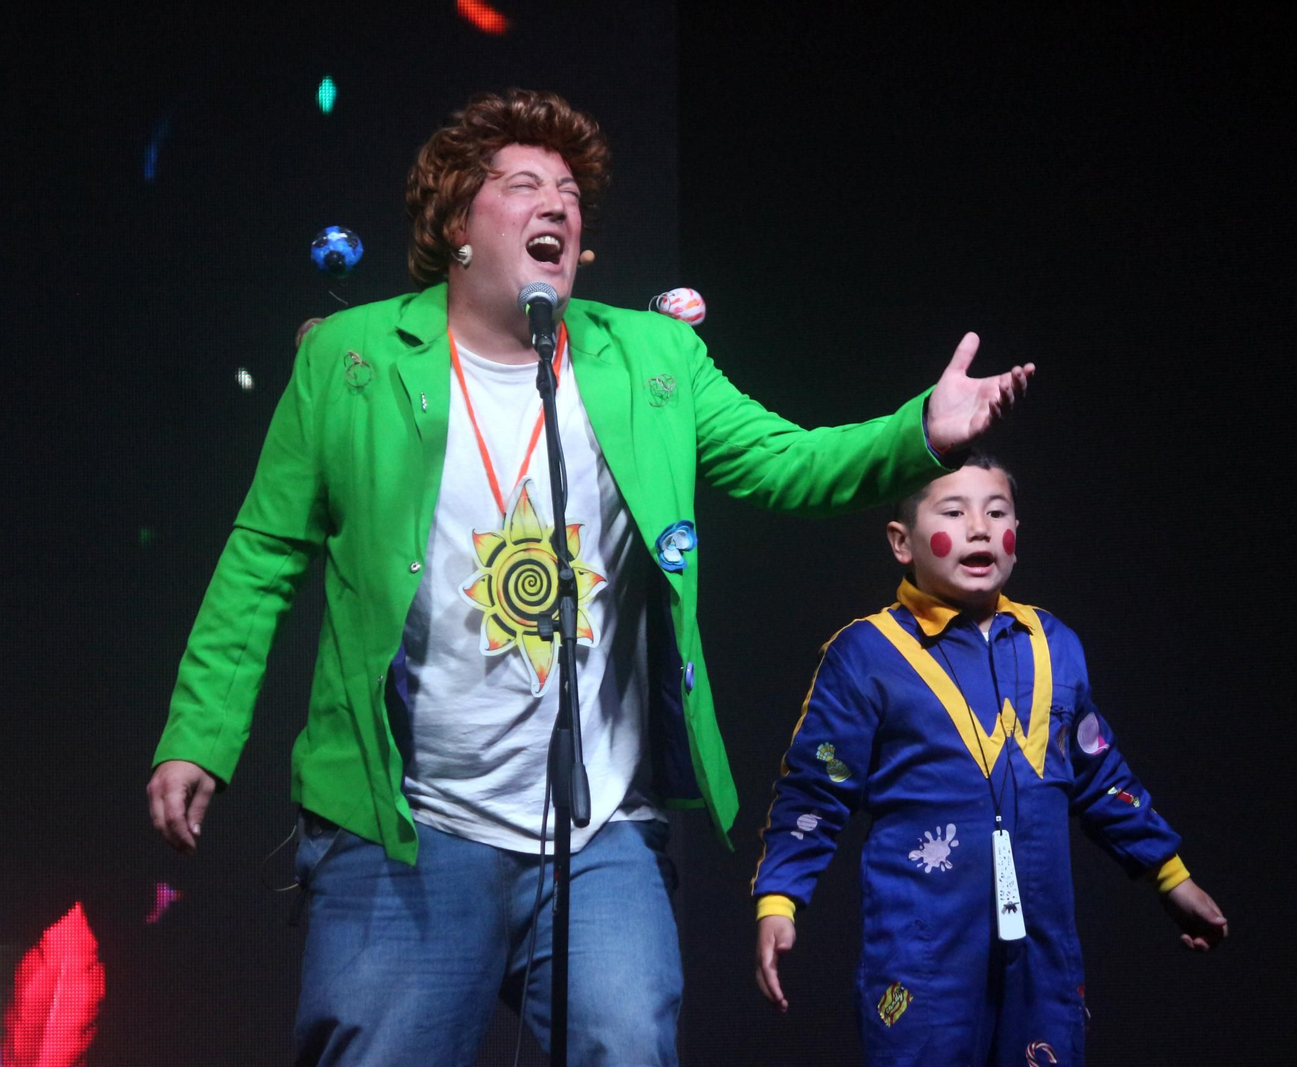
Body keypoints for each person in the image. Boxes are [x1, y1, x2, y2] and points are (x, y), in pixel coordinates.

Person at [145, 88, 1034, 1067]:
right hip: (409, 825)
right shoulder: (351, 360)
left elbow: (786, 461)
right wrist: (200, 732)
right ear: (457, 227)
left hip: (597, 828)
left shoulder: (652, 357)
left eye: (568, 192)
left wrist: (921, 430)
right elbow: (262, 551)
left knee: (629, 1039)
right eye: (523, 185)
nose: (555, 204)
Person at [750, 455, 1227, 1067]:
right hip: (923, 959)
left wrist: (1172, 877)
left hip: (1042, 957)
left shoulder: (1053, 644)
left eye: (995, 512)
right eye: (954, 512)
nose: (979, 528)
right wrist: (779, 900)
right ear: (902, 542)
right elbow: (815, 790)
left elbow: (1102, 776)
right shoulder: (866, 654)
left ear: (1016, 535)